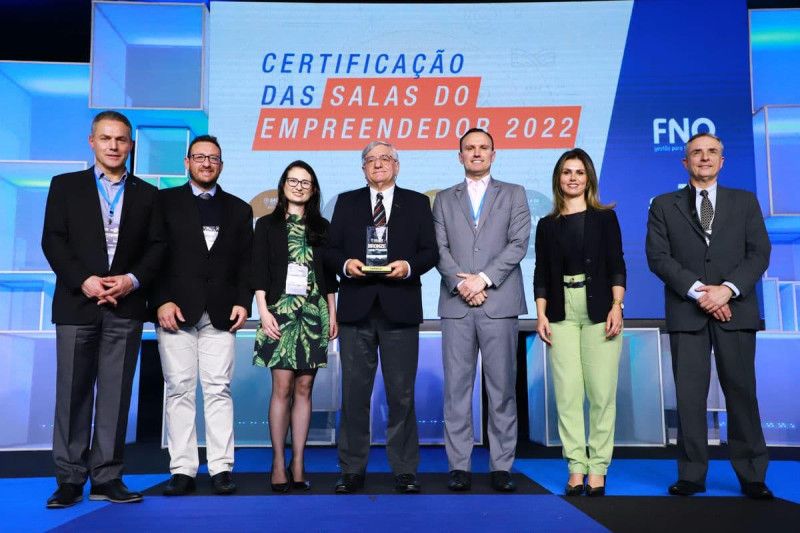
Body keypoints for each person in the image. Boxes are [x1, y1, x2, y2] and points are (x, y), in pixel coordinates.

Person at [41, 110, 166, 508]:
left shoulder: (149, 194)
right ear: (92, 141)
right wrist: (85, 280)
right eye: (106, 138)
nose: (114, 146)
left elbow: (158, 247)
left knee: (115, 395)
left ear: (131, 145)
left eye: (122, 140)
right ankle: (69, 479)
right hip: (78, 303)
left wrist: (131, 280)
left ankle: (108, 476)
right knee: (73, 394)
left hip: (126, 306)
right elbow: (53, 240)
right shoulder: (65, 186)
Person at [646, 132, 773, 500]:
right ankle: (691, 474)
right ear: (684, 162)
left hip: (736, 309)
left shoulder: (745, 202)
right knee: (689, 397)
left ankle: (752, 474)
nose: (704, 158)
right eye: (696, 153)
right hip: (688, 312)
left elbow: (758, 253)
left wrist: (727, 289)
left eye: (712, 152)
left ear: (722, 160)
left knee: (742, 393)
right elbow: (658, 257)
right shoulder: (663, 204)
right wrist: (701, 292)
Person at [325, 141, 438, 494]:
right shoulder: (347, 202)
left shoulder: (418, 203)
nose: (378, 165)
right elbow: (330, 251)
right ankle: (352, 469)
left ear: (397, 165)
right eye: (370, 160)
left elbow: (430, 251)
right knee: (354, 394)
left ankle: (405, 470)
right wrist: (345, 265)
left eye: (384, 159)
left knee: (401, 395)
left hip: (400, 307)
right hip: (357, 309)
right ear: (363, 169)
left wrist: (408, 267)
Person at [151, 135, 253, 496]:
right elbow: (152, 257)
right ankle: (182, 469)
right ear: (187, 162)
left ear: (221, 165)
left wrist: (244, 301)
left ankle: (222, 468)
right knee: (178, 389)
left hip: (222, 313)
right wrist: (160, 301)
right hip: (174, 312)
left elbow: (246, 263)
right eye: (200, 157)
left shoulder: (240, 210)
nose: (207, 163)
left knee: (218, 389)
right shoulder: (162, 203)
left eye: (213, 158)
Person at [432, 128, 530, 492]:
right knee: (457, 390)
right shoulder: (443, 198)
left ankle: (501, 466)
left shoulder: (515, 193)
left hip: (498, 303)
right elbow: (438, 249)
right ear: (460, 156)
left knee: (501, 388)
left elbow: (519, 244)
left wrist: (483, 279)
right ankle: (459, 465)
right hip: (457, 304)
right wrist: (462, 284)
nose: (476, 153)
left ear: (493, 153)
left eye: (483, 148)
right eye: (469, 148)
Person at [533, 148, 625, 497]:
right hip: (560, 312)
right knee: (568, 394)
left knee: (601, 393)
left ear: (589, 179)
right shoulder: (546, 225)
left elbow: (617, 264)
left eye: (579, 172)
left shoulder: (605, 219)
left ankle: (598, 467)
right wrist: (541, 314)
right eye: (567, 172)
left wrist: (618, 305)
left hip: (601, 307)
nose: (573, 177)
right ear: (558, 178)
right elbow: (541, 273)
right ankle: (575, 466)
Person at [252, 160, 338, 492]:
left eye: (306, 182)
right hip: (279, 312)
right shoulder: (266, 225)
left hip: (314, 313)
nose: (299, 186)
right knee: (282, 388)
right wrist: (263, 311)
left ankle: (298, 461)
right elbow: (258, 270)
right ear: (283, 183)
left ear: (313, 189)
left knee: (305, 389)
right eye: (293, 180)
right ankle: (277, 461)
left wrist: (332, 313)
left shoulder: (323, 227)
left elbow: (329, 277)